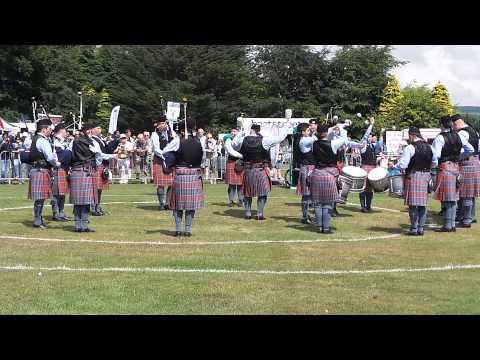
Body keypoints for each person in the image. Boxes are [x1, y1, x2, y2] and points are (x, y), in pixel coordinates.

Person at [309, 122, 372, 233]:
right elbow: (343, 140)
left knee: (318, 203)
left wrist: (333, 128)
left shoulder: (314, 143)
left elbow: (326, 136)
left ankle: (319, 227)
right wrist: (342, 128)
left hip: (316, 173)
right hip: (328, 175)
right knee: (328, 203)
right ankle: (326, 228)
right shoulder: (333, 144)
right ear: (326, 133)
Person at [232, 124, 289, 220]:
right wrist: (286, 126)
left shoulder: (243, 140)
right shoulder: (264, 140)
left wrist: (239, 133)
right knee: (262, 193)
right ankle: (259, 214)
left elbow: (233, 144)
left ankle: (248, 213)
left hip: (248, 170)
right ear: (258, 131)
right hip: (260, 169)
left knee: (247, 192)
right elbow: (280, 138)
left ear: (250, 130)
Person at [390, 127, 435, 236]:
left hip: (414, 175)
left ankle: (414, 228)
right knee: (422, 204)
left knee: (413, 204)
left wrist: (394, 165)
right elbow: (435, 162)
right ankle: (421, 228)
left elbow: (404, 164)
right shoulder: (430, 147)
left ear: (412, 135)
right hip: (426, 176)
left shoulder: (410, 147)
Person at [431, 116, 474, 232]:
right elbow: (470, 149)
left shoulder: (440, 138)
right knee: (453, 197)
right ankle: (452, 224)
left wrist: (433, 167)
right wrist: (458, 157)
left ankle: (448, 225)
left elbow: (436, 156)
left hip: (445, 167)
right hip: (456, 168)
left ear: (441, 125)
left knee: (447, 198)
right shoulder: (458, 135)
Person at [169, 120, 203, 237]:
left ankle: (178, 230)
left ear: (183, 130)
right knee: (190, 206)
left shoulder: (178, 141)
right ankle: (187, 230)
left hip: (181, 174)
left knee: (178, 205)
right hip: (194, 175)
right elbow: (201, 158)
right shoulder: (198, 142)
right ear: (193, 129)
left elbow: (166, 153)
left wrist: (171, 163)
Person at [28, 118, 61, 229]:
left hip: (37, 170)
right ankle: (37, 221)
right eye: (49, 129)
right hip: (41, 170)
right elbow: (50, 157)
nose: (51, 131)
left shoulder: (36, 138)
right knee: (40, 198)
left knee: (40, 198)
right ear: (44, 129)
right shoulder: (42, 140)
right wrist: (57, 164)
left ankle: (38, 219)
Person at [451, 114, 480, 228]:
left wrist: (457, 157)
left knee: (466, 194)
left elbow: (461, 150)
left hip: (467, 163)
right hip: (475, 162)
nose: (453, 128)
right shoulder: (474, 130)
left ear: (456, 123)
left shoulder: (462, 133)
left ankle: (466, 219)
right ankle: (470, 216)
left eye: (453, 125)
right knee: (471, 194)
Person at [70, 125, 100, 232]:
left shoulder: (88, 141)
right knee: (80, 201)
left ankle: (83, 224)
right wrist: (94, 151)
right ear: (88, 130)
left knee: (86, 201)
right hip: (81, 170)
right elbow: (82, 156)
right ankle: (79, 225)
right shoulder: (78, 141)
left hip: (85, 170)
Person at [150, 116, 179, 210]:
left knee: (171, 183)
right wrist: (164, 156)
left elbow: (177, 143)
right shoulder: (155, 134)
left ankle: (168, 203)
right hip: (159, 159)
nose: (164, 125)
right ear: (157, 126)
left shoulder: (172, 133)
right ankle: (161, 203)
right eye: (161, 123)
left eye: (165, 123)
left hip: (170, 160)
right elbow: (156, 149)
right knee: (160, 183)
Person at [88, 122, 116, 215]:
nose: (100, 130)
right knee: (95, 188)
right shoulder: (92, 140)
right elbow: (99, 155)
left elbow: (106, 150)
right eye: (98, 128)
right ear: (92, 129)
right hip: (96, 165)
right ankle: (93, 208)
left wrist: (115, 142)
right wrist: (113, 156)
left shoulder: (100, 140)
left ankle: (97, 206)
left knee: (99, 189)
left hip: (102, 165)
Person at [50, 123, 73, 221]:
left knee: (63, 192)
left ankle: (61, 213)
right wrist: (69, 152)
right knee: (56, 192)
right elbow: (60, 156)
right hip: (57, 168)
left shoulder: (62, 141)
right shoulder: (55, 141)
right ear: (61, 131)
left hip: (64, 168)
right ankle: (56, 213)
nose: (67, 133)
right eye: (65, 130)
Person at [296, 122, 317, 224]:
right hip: (307, 168)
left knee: (311, 193)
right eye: (307, 130)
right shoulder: (303, 141)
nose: (309, 132)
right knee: (306, 194)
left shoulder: (305, 139)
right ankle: (305, 216)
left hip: (310, 167)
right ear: (303, 132)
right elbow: (315, 139)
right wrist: (315, 130)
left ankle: (309, 216)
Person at [359, 131, 383, 213]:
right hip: (364, 167)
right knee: (363, 188)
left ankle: (368, 206)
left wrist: (381, 134)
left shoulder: (373, 146)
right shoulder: (362, 146)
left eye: (371, 136)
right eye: (369, 136)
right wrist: (371, 124)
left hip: (373, 168)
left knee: (370, 189)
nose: (370, 138)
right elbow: (365, 136)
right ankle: (363, 207)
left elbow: (380, 144)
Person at [223, 128, 244, 207]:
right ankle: (230, 200)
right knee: (231, 184)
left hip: (240, 163)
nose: (233, 132)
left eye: (235, 131)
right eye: (232, 131)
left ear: (238, 132)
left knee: (240, 183)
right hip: (231, 162)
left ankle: (241, 200)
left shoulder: (241, 139)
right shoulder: (228, 139)